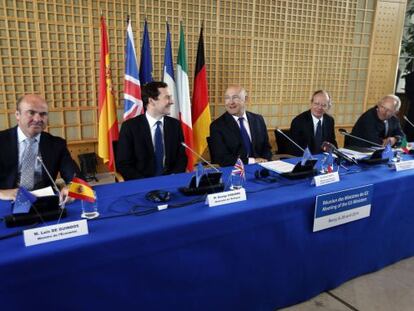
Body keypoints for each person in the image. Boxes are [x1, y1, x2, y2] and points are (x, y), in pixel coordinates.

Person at [0, 94, 80, 201]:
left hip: (44, 202)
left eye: (43, 114)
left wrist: (71, 188)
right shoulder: (2, 141)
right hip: (7, 201)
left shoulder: (56, 144)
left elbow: (76, 178)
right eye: (31, 113)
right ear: (17, 115)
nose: (38, 119)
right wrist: (1, 193)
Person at [116, 81, 187, 180]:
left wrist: (174, 177)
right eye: (167, 97)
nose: (172, 101)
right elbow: (123, 164)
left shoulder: (175, 125)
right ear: (151, 101)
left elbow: (181, 157)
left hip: (170, 181)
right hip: (142, 183)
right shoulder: (130, 127)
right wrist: (145, 183)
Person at [209, 85, 272, 167]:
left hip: (261, 168)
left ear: (245, 99)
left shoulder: (258, 119)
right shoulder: (217, 126)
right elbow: (221, 158)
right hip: (234, 172)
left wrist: (265, 160)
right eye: (227, 98)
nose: (231, 102)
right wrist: (252, 161)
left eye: (235, 97)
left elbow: (266, 148)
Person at [289, 90, 338, 156]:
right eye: (316, 104)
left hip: (323, 158)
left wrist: (336, 155)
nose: (319, 107)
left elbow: (332, 142)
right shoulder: (299, 121)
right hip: (305, 159)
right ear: (311, 103)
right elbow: (294, 148)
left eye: (324, 105)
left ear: (328, 107)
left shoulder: (329, 120)